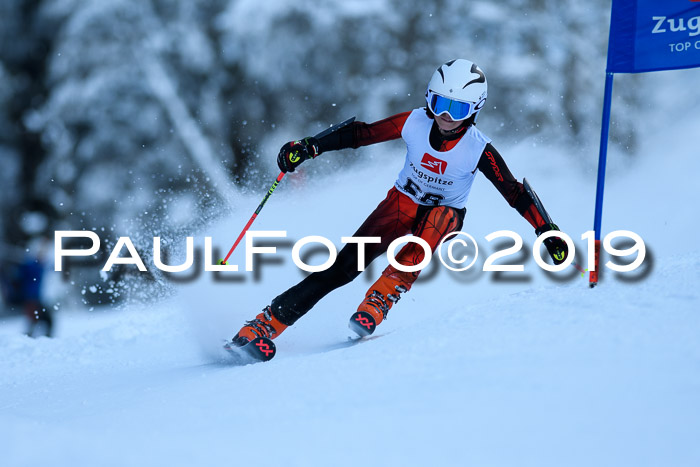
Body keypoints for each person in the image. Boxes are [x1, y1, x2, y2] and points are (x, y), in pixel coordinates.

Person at [230, 58, 568, 346]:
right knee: (341, 268)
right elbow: (361, 134)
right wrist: (310, 146)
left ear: (474, 110)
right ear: (428, 100)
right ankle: (264, 325)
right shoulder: (414, 122)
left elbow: (513, 191)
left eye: (458, 109)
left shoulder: (478, 148)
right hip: (401, 203)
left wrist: (546, 229)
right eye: (440, 105)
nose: (447, 117)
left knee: (440, 219)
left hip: (444, 215)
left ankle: (382, 295)